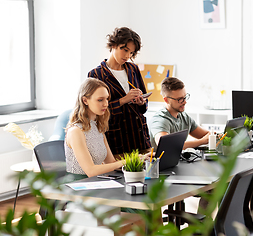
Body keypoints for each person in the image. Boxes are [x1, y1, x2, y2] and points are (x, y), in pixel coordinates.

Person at [65, 78, 149, 180]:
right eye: (100, 100)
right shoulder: (76, 131)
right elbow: (91, 171)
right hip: (79, 185)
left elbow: (111, 163)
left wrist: (140, 159)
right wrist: (129, 160)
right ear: (85, 100)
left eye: (107, 99)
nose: (106, 104)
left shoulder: (97, 127)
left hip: (97, 182)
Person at [88, 27, 151, 159]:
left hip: (140, 138)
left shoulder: (133, 69)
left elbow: (144, 108)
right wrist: (123, 100)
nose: (128, 56)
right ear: (113, 45)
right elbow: (95, 111)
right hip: (117, 142)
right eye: (125, 50)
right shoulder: (96, 74)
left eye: (131, 53)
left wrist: (141, 102)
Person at [149, 77, 210, 150]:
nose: (185, 102)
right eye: (180, 99)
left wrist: (217, 135)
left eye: (185, 97)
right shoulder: (160, 121)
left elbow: (206, 135)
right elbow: (166, 145)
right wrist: (201, 141)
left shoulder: (184, 117)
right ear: (166, 100)